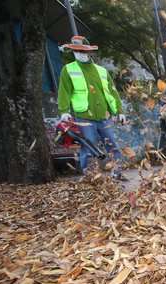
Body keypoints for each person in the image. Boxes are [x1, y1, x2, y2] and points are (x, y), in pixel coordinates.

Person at [58, 36, 128, 180]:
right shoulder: (68, 70)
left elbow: (113, 92)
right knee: (88, 148)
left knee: (112, 145)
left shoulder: (102, 71)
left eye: (82, 51)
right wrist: (64, 111)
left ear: (89, 52)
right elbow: (64, 92)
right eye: (76, 51)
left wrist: (120, 111)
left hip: (104, 115)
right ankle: (90, 177)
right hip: (84, 117)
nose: (79, 53)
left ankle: (117, 173)